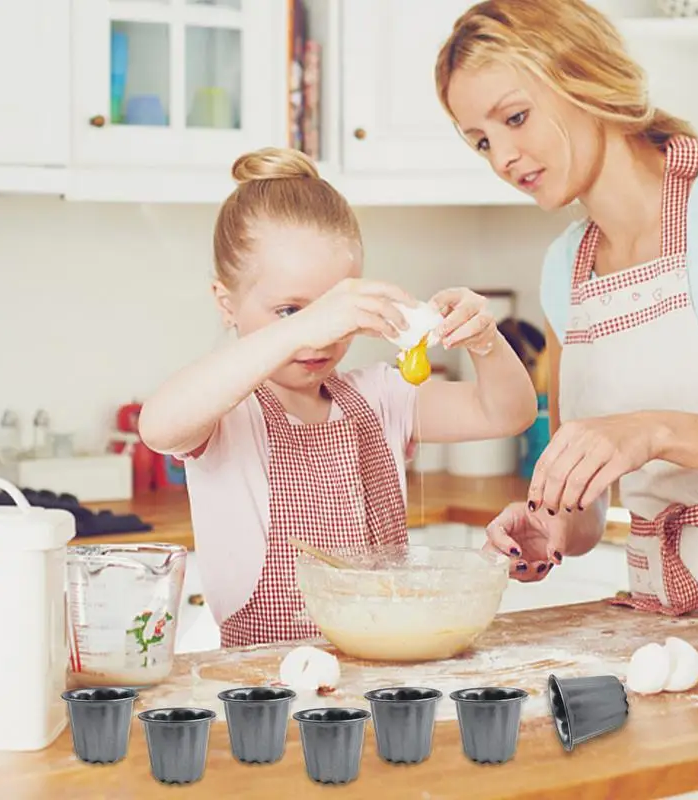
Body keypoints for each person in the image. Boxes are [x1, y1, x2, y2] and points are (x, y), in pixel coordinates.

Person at [435, 0, 698, 616]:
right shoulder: (563, 270)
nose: (502, 159)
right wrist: (549, 529)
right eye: (482, 142)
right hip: (664, 635)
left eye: (516, 118)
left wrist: (654, 432)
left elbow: (642, 437)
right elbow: (587, 517)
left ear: (585, 77)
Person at [139, 146, 537, 646]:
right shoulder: (228, 414)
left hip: (383, 667)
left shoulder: (379, 396)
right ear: (226, 303)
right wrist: (306, 325)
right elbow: (158, 426)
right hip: (267, 686)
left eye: (335, 312)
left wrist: (485, 339)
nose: (320, 339)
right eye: (290, 311)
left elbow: (508, 411)